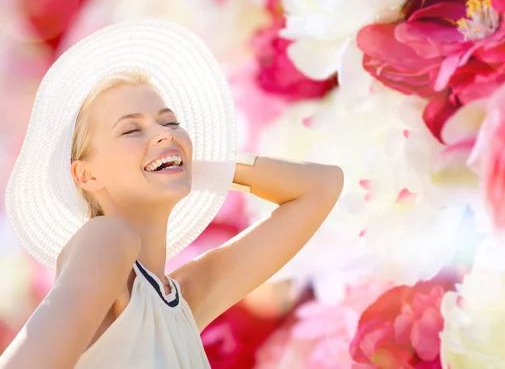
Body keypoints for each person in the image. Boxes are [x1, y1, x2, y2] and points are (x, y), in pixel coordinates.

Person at [0, 19, 343, 368]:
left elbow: (321, 187)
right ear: (86, 174)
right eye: (131, 129)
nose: (164, 134)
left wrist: (193, 162)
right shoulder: (106, 238)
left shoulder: (183, 301)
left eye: (169, 122)